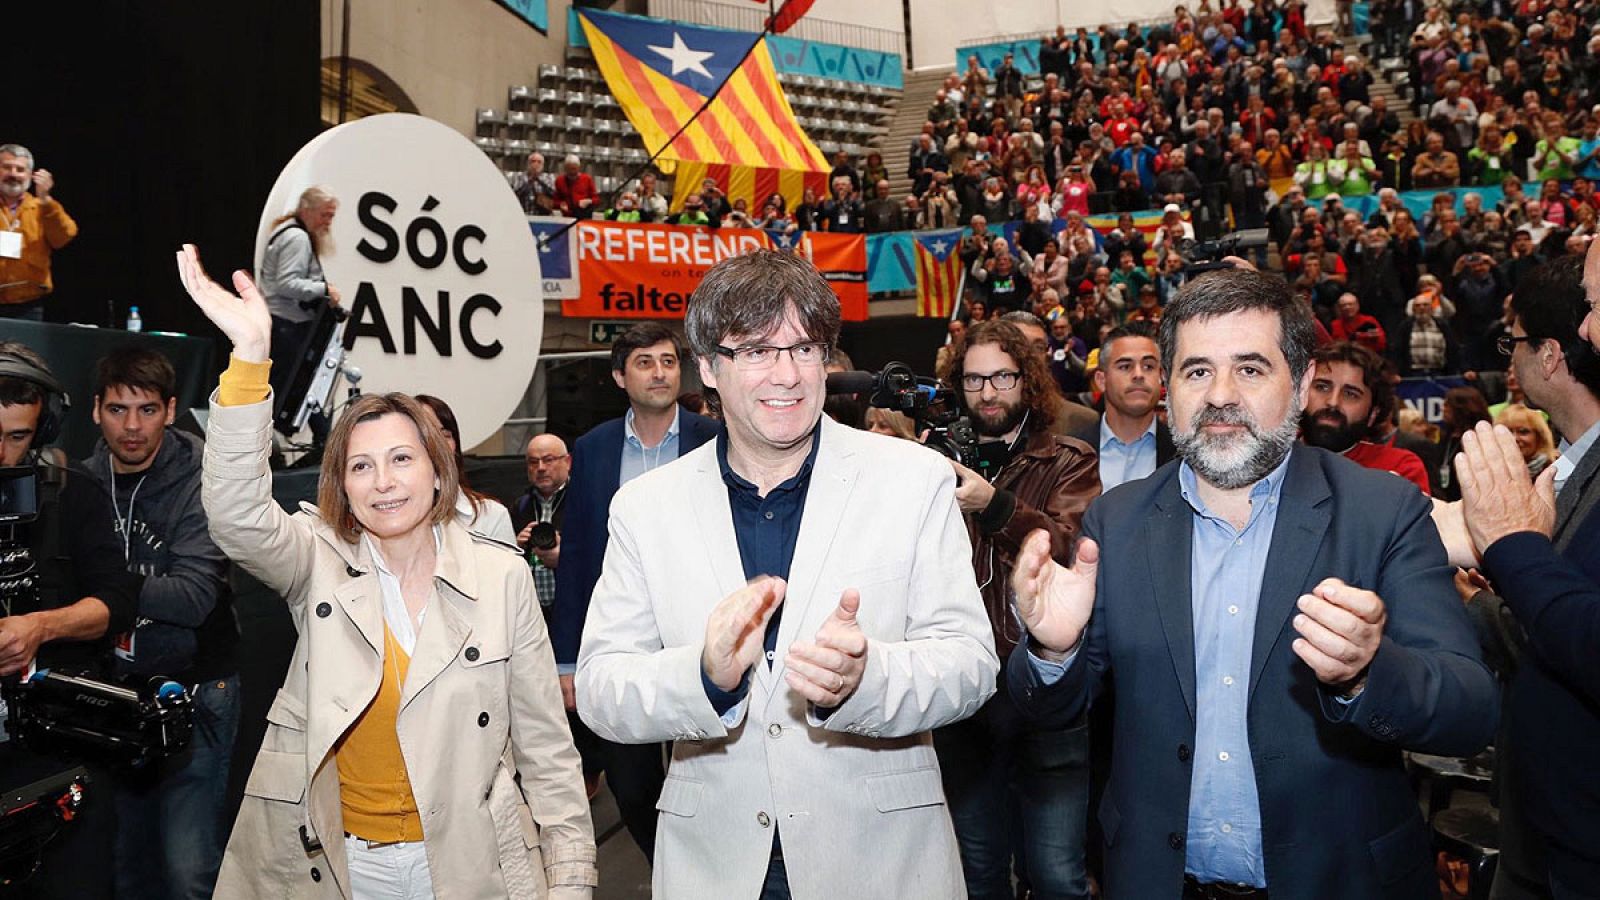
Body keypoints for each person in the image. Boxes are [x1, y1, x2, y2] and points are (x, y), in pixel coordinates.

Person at [1006, 268, 1497, 899]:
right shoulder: (1119, 519)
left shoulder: (1383, 511)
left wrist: (1370, 673)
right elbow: (1051, 710)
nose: (1220, 395)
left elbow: (1470, 710)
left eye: (1251, 368)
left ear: (1298, 388)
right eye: (1197, 371)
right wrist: (1051, 652)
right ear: (1168, 390)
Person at [174, 245, 596, 899]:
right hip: (344, 868)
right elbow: (234, 514)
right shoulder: (317, 563)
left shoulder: (500, 578)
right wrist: (252, 358)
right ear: (342, 482)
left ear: (437, 469)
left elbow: (546, 751)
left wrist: (570, 881)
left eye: (402, 458)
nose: (384, 482)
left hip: (469, 865)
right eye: (362, 465)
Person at [576, 250, 998, 899]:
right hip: (716, 865)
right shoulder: (644, 508)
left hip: (882, 863)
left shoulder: (914, 480)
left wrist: (868, 678)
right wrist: (703, 678)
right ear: (711, 367)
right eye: (756, 351)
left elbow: (971, 664)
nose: (788, 374)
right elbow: (603, 689)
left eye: (804, 348)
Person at [1446, 251, 1600, 898]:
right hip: (1546, 828)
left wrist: (1510, 550)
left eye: (1596, 305)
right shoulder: (1566, 467)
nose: (1590, 328)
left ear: (1550, 354)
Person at [933, 320, 1100, 900]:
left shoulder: (1070, 458)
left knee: (1055, 875)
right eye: (974, 379)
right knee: (977, 871)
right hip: (964, 692)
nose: (987, 392)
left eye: (1001, 376)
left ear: (1026, 381)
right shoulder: (930, 462)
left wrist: (994, 503)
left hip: (1042, 684)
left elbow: (1068, 549)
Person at [552, 321, 719, 862]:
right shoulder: (593, 448)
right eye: (645, 362)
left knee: (712, 775)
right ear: (620, 376)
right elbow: (577, 556)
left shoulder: (715, 439)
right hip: (623, 636)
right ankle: (668, 866)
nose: (660, 372)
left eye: (669, 361)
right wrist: (567, 659)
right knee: (632, 782)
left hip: (701, 636)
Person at [84, 348, 239, 900]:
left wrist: (104, 593)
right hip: (115, 694)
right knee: (127, 867)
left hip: (195, 689)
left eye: (147, 410)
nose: (132, 427)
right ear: (95, 410)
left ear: (171, 410)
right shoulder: (82, 481)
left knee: (188, 870)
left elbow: (195, 597)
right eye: (118, 409)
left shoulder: (202, 476)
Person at [0, 341, 141, 900]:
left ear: (44, 428)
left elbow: (119, 601)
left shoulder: (72, 494)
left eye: (18, 436)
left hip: (60, 753)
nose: (3, 453)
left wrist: (40, 627)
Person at [258, 185, 339, 440]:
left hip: (283, 323)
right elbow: (287, 283)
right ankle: (325, 445)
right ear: (308, 211)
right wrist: (324, 289)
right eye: (325, 215)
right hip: (287, 324)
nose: (328, 222)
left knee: (297, 386)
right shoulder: (297, 238)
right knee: (303, 385)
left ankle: (323, 443)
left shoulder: (288, 233)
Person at [1300, 342, 1430, 494]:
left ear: (1373, 414)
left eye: (1350, 394)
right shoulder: (1273, 459)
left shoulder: (1399, 468)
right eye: (1322, 387)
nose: (1333, 402)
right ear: (1301, 392)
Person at [1072, 323, 1176, 491]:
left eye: (1148, 366)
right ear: (1101, 380)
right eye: (1125, 366)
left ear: (1161, 377)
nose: (1138, 375)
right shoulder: (1071, 453)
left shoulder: (1183, 453)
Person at [412, 393, 517, 544]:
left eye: (445, 435)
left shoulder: (491, 516)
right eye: (427, 435)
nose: (438, 445)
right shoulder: (389, 516)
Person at [0, 144, 77, 320]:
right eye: (6, 167)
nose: (13, 174)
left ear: (30, 175)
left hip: (28, 305)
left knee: (24, 349)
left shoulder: (42, 208)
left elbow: (64, 237)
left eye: (20, 169)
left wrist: (46, 200)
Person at [510, 433, 570, 612]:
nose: (541, 468)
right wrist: (517, 545)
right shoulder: (520, 506)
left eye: (548, 460)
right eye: (533, 462)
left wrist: (565, 555)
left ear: (568, 462)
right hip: (530, 609)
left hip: (572, 606)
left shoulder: (583, 502)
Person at [1494, 402, 1557, 479]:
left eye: (1523, 432)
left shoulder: (1554, 470)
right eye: (1507, 432)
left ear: (1540, 436)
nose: (1514, 438)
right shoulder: (1492, 472)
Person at [510, 151, 557, 215]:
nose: (536, 164)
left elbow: (553, 194)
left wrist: (538, 180)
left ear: (543, 165)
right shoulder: (518, 177)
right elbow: (515, 194)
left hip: (543, 216)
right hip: (523, 214)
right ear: (528, 164)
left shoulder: (549, 178)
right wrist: (530, 180)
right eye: (533, 161)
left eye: (539, 162)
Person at [554, 154, 599, 219]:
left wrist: (588, 201)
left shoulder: (587, 179)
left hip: (584, 217)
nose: (572, 172)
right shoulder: (559, 181)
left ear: (579, 167)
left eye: (574, 169)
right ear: (565, 168)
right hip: (567, 218)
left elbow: (596, 199)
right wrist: (560, 204)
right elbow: (555, 201)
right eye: (570, 169)